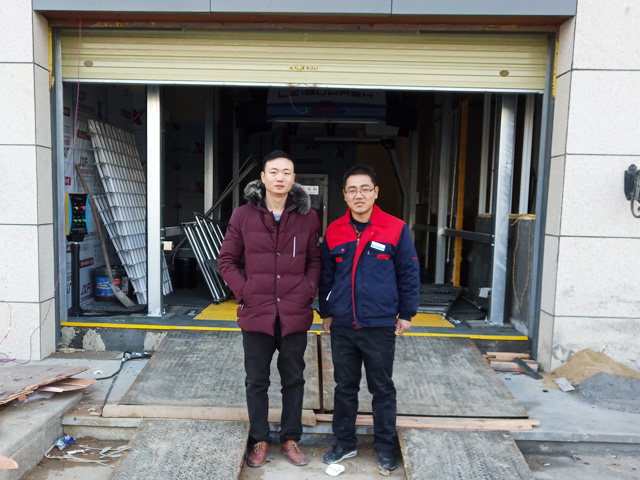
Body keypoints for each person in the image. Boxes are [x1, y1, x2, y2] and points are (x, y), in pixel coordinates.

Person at [218, 150, 322, 468]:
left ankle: (290, 438)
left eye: (286, 172)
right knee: (256, 380)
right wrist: (245, 291)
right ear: (262, 177)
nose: (280, 177)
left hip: (294, 312)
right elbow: (227, 260)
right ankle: (259, 439)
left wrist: (307, 291)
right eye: (273, 172)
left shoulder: (308, 217)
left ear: (293, 178)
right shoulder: (242, 215)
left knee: (294, 379)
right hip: (257, 312)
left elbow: (314, 260)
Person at [319, 164, 420, 472]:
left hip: (379, 324)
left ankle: (385, 447)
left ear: (376, 192)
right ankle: (345, 443)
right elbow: (326, 276)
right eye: (352, 190)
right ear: (344, 195)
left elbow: (408, 272)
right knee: (344, 387)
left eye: (365, 189)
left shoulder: (396, 228)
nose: (358, 195)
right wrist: (326, 312)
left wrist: (407, 313)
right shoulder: (335, 230)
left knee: (382, 388)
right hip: (343, 324)